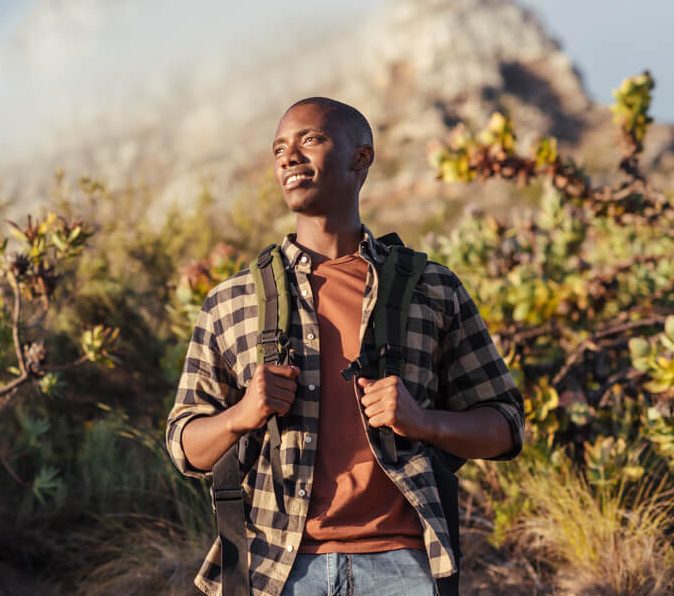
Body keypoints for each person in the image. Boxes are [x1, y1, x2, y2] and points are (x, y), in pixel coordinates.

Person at [166, 97, 524, 596]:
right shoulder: (232, 301)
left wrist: (423, 422)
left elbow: (505, 427)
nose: (289, 157)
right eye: (279, 149)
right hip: (277, 570)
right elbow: (184, 446)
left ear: (362, 158)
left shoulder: (431, 288)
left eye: (310, 139)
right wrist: (241, 414)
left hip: (404, 568)